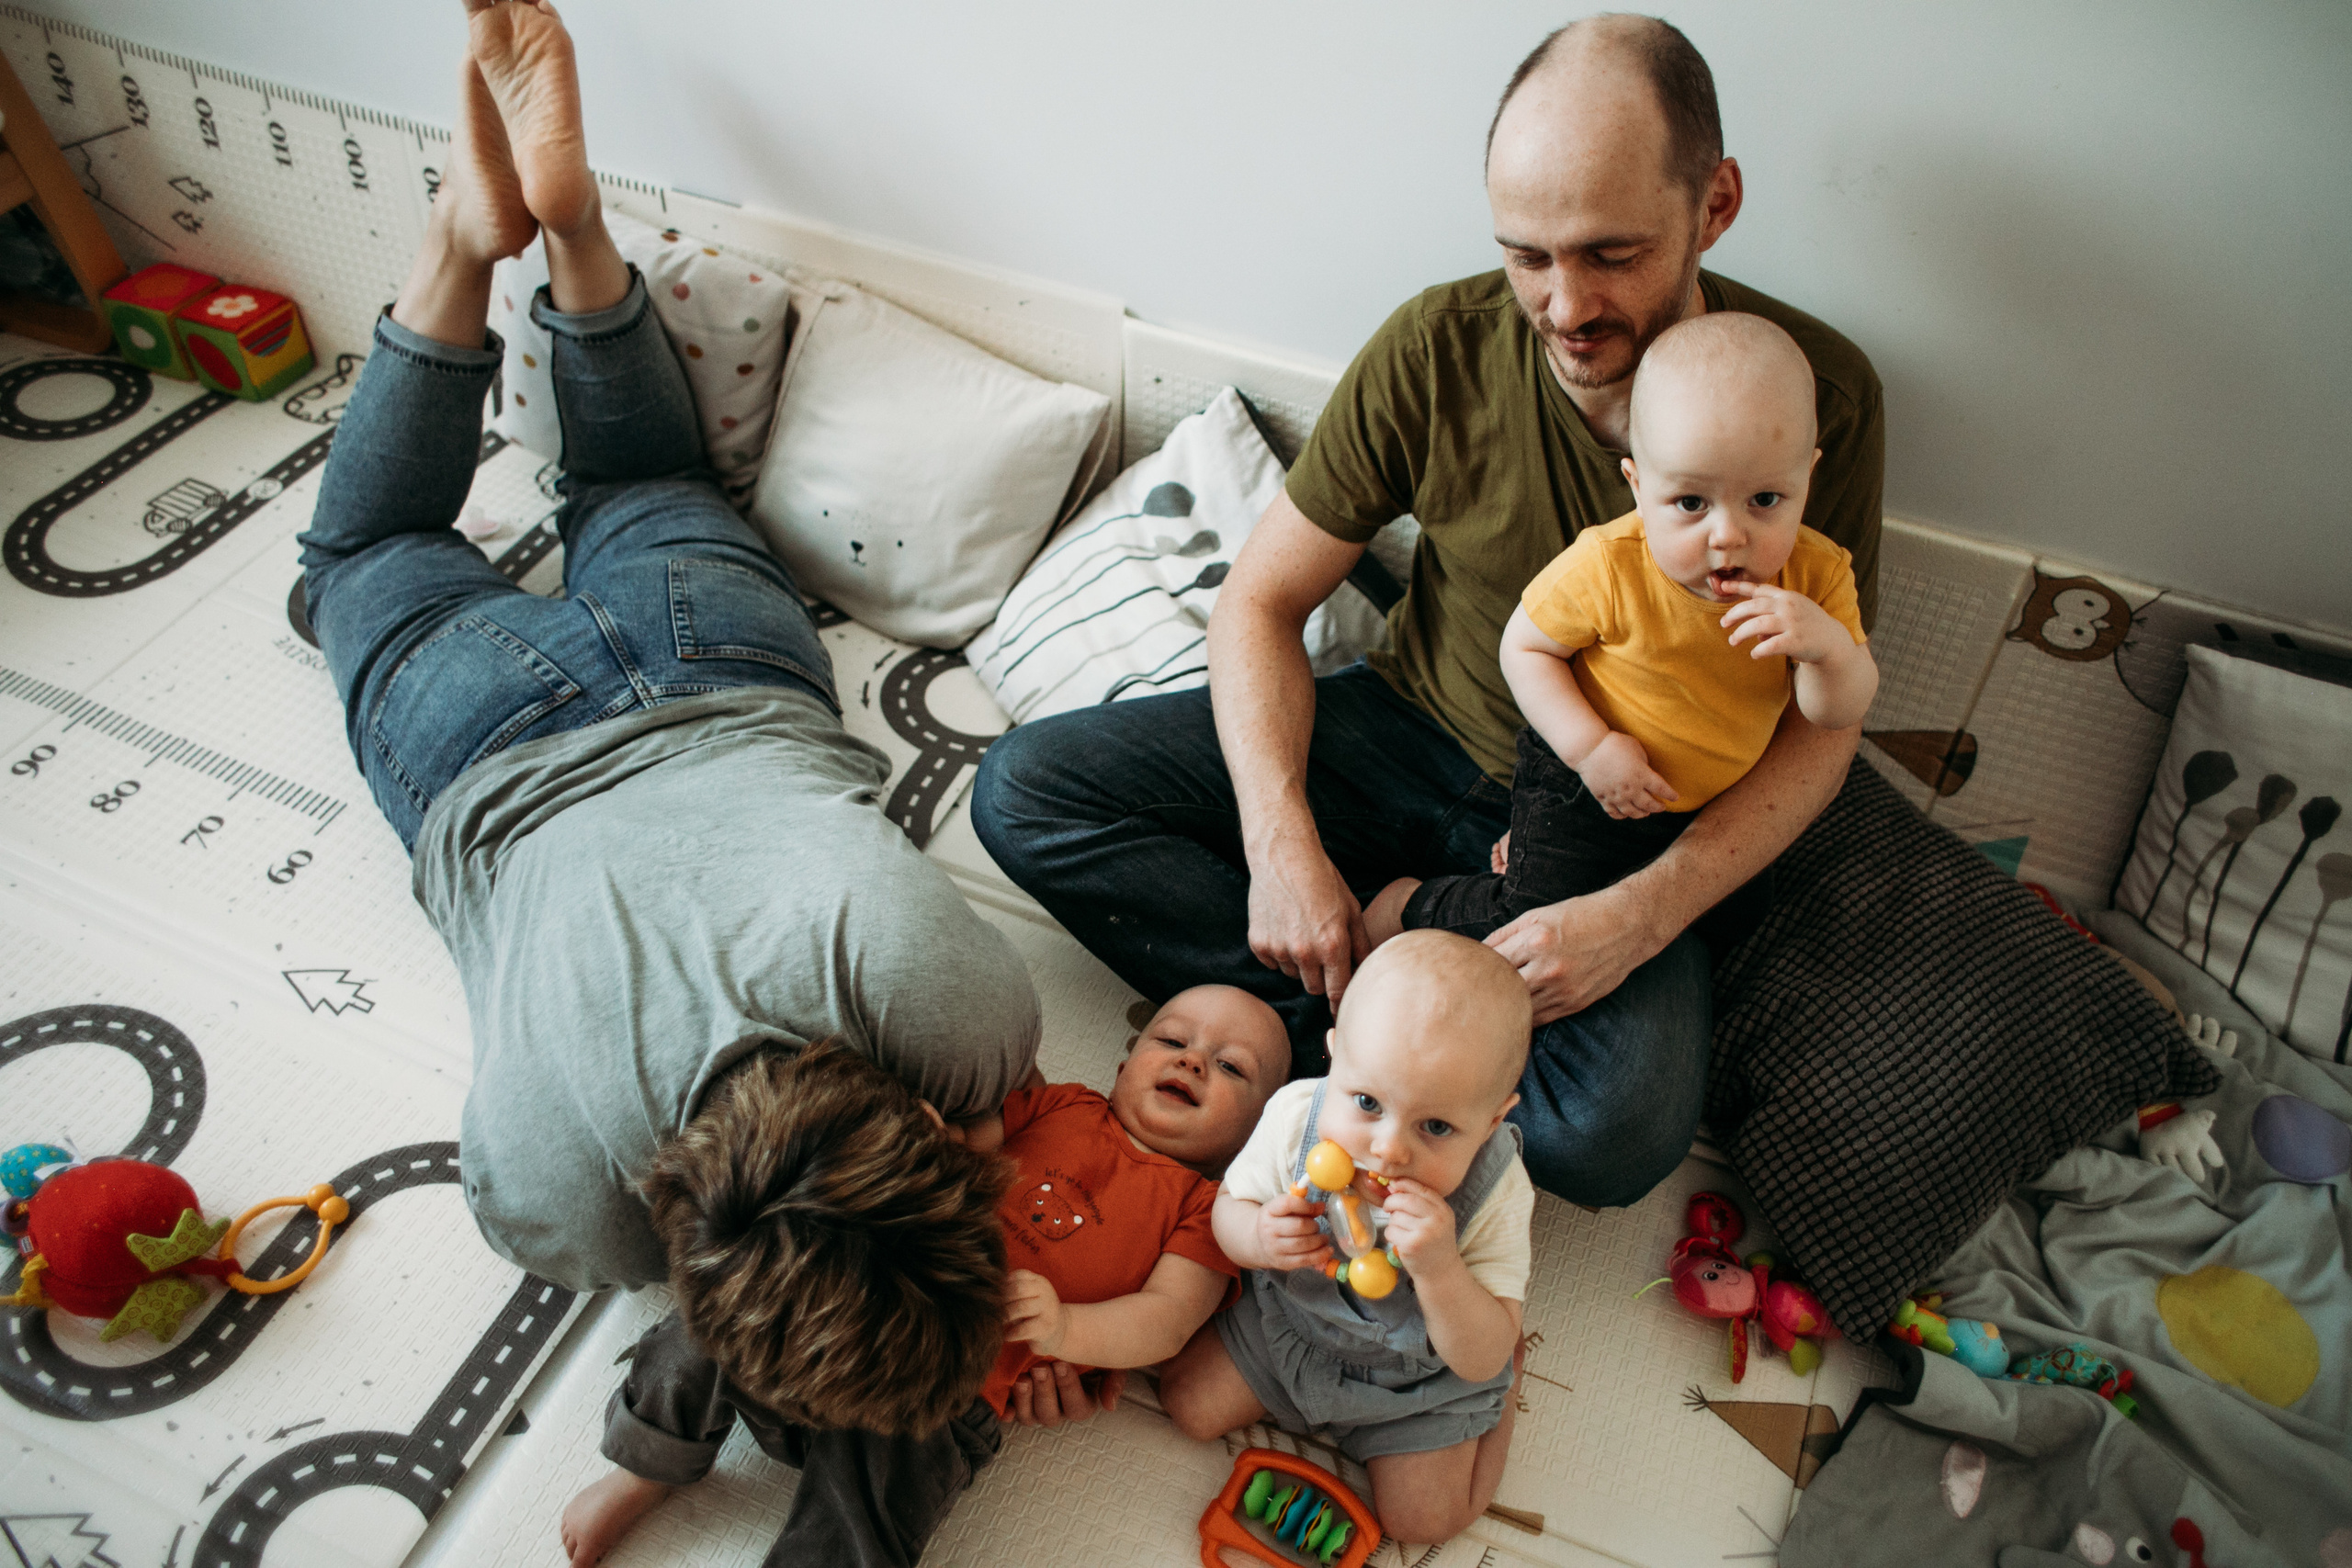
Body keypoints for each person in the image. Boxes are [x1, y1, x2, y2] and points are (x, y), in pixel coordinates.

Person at [296, 0, 1130, 1420]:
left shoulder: (958, 1014)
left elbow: (985, 1103)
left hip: (721, 674)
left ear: (931, 1135)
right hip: (485, 754)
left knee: (648, 491)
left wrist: (976, 1121)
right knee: (356, 564)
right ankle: (457, 245)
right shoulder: (569, 1202)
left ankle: (570, 240)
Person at [973, 14, 1885, 1209]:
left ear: (1714, 204)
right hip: (1406, 736)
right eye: (1527, 255)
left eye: (1611, 253)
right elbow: (1263, 598)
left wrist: (1636, 918)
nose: (1563, 306)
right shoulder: (1440, 344)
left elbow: (1823, 724)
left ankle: (1380, 1046)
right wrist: (1281, 844)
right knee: (1026, 790)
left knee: (1610, 1137)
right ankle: (1393, 1064)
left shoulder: (1811, 397)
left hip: (1613, 835)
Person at [559, 987, 1292, 1568]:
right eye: (1174, 1037)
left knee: (870, 1516)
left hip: (949, 1393)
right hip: (857, 1301)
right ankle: (648, 1462)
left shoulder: (1208, 1210)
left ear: (1257, 1135)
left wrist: (1071, 1328)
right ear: (1127, 1060)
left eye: (1230, 1067)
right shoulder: (1063, 1101)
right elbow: (971, 1143)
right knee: (710, 1326)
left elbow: (1167, 1317)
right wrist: (922, 1138)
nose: (1193, 1060)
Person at [1365, 312, 1878, 942]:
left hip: (1705, 808)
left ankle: (1526, 843)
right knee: (1532, 911)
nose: (1728, 535)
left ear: (1808, 478)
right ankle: (1409, 907)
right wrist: (1590, 749)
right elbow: (1525, 647)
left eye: (1766, 500)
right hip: (1589, 779)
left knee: (1738, 920)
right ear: (1638, 486)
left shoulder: (1817, 575)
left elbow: (1836, 712)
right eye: (1691, 503)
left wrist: (1828, 651)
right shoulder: (1611, 563)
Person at [1159, 933, 1534, 1545]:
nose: (1388, 1147)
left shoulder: (1497, 1193)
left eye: (1435, 1125)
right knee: (1187, 1401)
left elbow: (1476, 1353)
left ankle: (1502, 1402)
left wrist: (1440, 1269)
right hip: (1296, 1326)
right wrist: (1258, 1234)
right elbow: (1228, 1209)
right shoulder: (1293, 1118)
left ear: (1493, 1119)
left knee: (1424, 1522)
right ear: (1334, 1057)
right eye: (1366, 1101)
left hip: (1419, 1376)